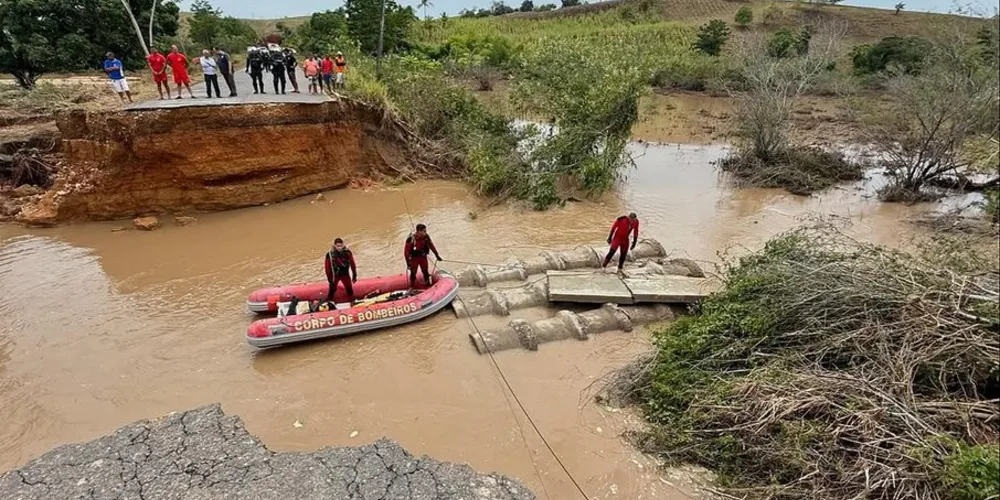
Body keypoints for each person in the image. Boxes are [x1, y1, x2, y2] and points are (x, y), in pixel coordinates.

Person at [404, 224, 442, 288]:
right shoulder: (411, 239)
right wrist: (408, 263)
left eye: (425, 231)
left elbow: (431, 246)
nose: (425, 232)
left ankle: (428, 285)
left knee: (425, 271)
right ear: (419, 231)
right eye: (424, 231)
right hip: (414, 259)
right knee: (413, 273)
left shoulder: (426, 237)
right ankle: (412, 287)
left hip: (423, 257)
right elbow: (406, 252)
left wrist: (437, 255)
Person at [324, 238, 357, 303]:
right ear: (334, 245)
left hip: (345, 274)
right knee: (332, 290)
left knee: (349, 289)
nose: (339, 248)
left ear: (343, 245)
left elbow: (352, 264)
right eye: (337, 246)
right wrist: (329, 279)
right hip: (335, 276)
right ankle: (329, 302)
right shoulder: (329, 255)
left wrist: (354, 275)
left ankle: (352, 302)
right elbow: (327, 268)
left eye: (340, 246)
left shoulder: (347, 252)